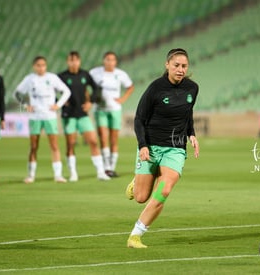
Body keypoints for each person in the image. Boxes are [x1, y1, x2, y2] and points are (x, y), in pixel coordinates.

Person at [125, 48, 200, 248]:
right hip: (150, 146)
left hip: (175, 149)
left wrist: (191, 134)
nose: (180, 69)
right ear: (167, 65)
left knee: (164, 191)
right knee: (141, 197)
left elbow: (187, 114)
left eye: (184, 66)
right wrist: (142, 145)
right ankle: (137, 181)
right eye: (176, 65)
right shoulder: (155, 88)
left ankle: (136, 235)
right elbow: (139, 119)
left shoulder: (192, 88)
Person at [13, 56, 71, 183]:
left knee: (54, 145)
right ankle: (31, 175)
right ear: (34, 66)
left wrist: (58, 105)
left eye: (43, 65)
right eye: (38, 65)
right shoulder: (29, 79)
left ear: (46, 66)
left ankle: (58, 175)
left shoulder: (52, 78)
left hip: (50, 116)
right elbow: (16, 93)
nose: (41, 67)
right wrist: (25, 106)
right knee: (34, 146)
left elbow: (66, 91)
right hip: (35, 117)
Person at [58, 51, 110, 181]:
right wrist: (58, 102)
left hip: (83, 114)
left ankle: (100, 172)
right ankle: (73, 173)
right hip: (68, 115)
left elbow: (96, 89)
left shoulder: (84, 75)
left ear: (79, 61)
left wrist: (90, 102)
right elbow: (50, 91)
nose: (74, 62)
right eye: (71, 60)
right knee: (70, 144)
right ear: (67, 61)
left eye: (76, 60)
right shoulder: (61, 76)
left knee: (93, 141)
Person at [89, 51, 134, 177]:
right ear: (104, 60)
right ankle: (107, 167)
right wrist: (90, 97)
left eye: (112, 59)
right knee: (103, 137)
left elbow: (130, 87)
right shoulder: (95, 73)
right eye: (107, 59)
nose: (110, 62)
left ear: (115, 62)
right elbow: (85, 85)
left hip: (115, 109)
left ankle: (112, 167)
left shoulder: (120, 74)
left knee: (113, 139)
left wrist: (122, 99)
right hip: (100, 109)